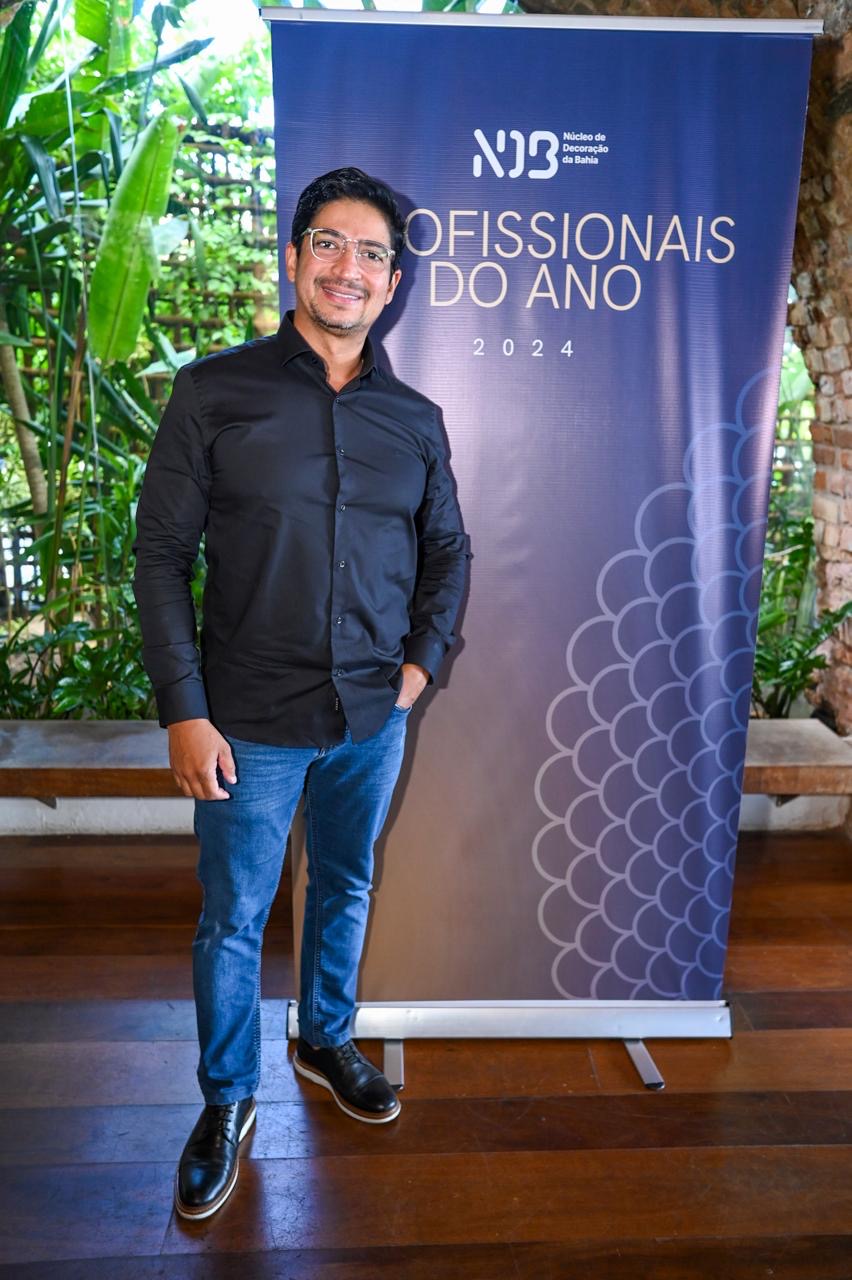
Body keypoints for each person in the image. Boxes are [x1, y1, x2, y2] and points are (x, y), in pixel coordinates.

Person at [132, 167, 470, 1220]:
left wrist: (419, 666)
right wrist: (185, 708)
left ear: (393, 282)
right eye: (329, 243)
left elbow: (448, 551)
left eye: (371, 253)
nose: (347, 268)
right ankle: (228, 1097)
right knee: (235, 915)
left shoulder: (415, 419)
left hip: (372, 715)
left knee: (345, 884)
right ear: (293, 258)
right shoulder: (212, 393)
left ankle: (325, 1037)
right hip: (245, 721)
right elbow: (159, 556)